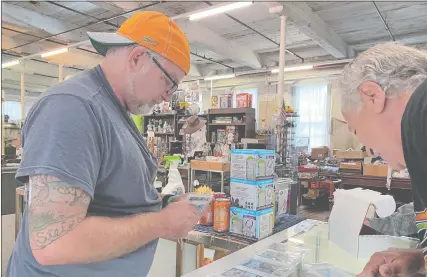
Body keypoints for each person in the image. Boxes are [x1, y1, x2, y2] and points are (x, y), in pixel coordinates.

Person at [6, 11, 202, 277]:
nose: (167, 96)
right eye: (169, 83)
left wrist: (164, 203)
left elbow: (114, 196)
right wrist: (162, 223)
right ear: (137, 58)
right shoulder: (73, 108)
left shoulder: (115, 112)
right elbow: (53, 243)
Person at [339, 43, 427, 277]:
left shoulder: (421, 110)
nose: (369, 151)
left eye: (356, 130)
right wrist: (419, 260)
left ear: (373, 95)